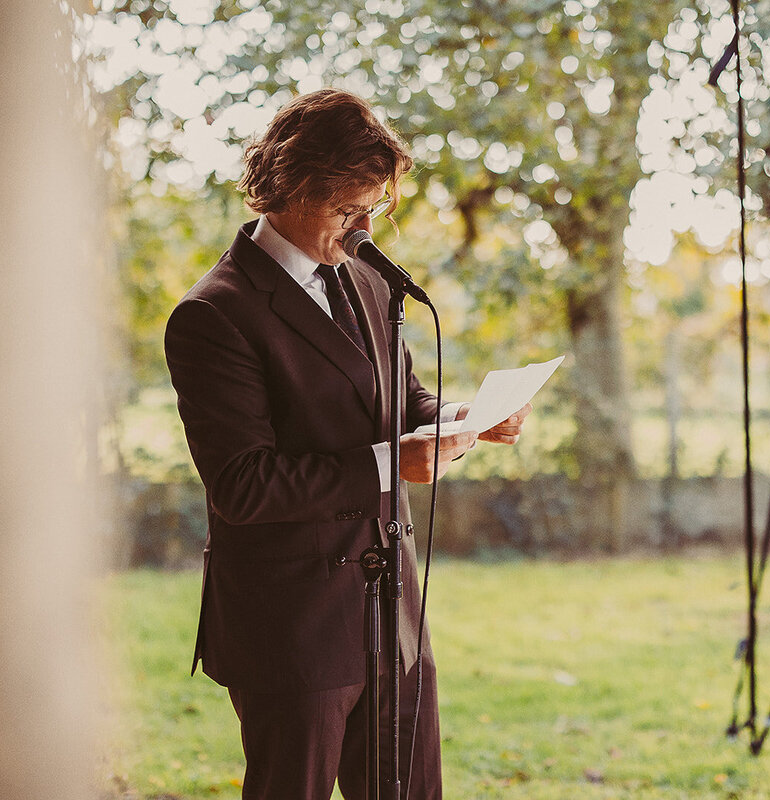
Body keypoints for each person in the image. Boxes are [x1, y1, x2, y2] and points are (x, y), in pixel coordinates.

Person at [164, 88, 531, 800]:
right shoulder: (215, 313)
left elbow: (400, 400)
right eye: (347, 208)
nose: (366, 225)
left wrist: (464, 416)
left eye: (373, 207)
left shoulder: (366, 278)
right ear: (289, 187)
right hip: (291, 625)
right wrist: (394, 464)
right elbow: (244, 485)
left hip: (392, 606)